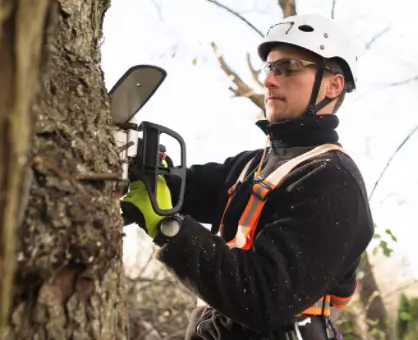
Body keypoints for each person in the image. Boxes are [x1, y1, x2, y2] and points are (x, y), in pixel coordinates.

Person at [121, 14, 375, 340]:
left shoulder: (332, 181)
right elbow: (187, 187)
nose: (269, 80)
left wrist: (168, 229)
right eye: (270, 68)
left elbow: (263, 298)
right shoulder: (252, 165)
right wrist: (142, 170)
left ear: (333, 84)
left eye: (288, 67)